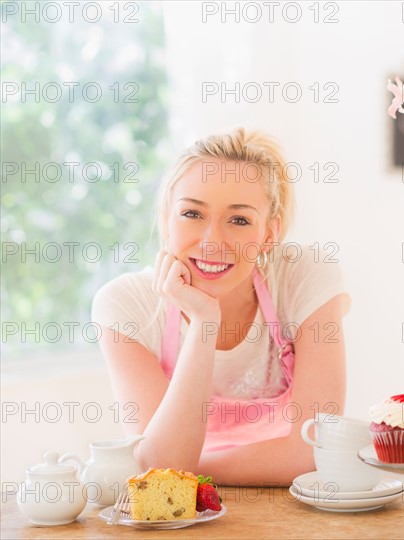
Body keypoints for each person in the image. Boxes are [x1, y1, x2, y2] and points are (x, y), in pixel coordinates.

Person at [92, 128, 351, 485]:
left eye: (239, 220)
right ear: (167, 218)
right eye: (192, 214)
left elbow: (315, 449)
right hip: (179, 517)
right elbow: (161, 466)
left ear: (269, 233)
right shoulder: (127, 306)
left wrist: (188, 466)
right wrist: (203, 321)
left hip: (292, 512)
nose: (212, 241)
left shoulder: (303, 278)